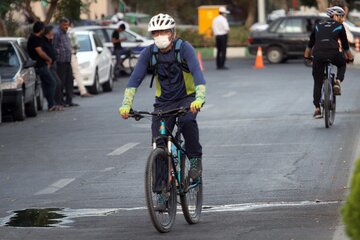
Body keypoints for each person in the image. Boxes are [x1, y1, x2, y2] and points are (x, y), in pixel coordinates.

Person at [118, 13, 206, 210]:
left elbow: (198, 76)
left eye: (163, 31)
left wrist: (199, 99)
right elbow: (135, 79)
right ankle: (161, 192)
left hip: (187, 100)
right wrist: (126, 104)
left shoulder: (184, 49)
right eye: (156, 32)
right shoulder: (149, 53)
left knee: (187, 122)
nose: (160, 35)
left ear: (172, 33)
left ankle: (194, 161)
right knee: (159, 143)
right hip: (163, 104)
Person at [304, 6, 354, 119]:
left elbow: (309, 45)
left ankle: (317, 109)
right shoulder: (339, 26)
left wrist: (307, 57)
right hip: (333, 53)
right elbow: (346, 47)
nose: (342, 19)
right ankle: (337, 81)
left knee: (317, 81)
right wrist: (350, 58)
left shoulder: (317, 26)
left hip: (318, 55)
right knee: (342, 64)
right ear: (335, 15)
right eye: (341, 16)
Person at [27, 21, 58, 111]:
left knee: (47, 84)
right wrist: (48, 59)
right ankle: (51, 104)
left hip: (42, 64)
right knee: (52, 83)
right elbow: (40, 52)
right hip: (40, 65)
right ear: (41, 29)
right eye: (43, 28)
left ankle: (51, 103)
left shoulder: (37, 38)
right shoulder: (34, 39)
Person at [53, 17, 79, 107]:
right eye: (64, 25)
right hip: (61, 61)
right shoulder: (56, 33)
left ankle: (69, 100)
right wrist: (59, 54)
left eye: (67, 25)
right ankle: (60, 101)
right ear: (60, 24)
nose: (66, 27)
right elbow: (54, 46)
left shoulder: (65, 33)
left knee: (69, 81)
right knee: (61, 82)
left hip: (68, 60)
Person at [42, 25, 64, 111]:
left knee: (57, 83)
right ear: (48, 31)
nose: (54, 32)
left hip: (54, 64)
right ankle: (53, 103)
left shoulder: (50, 40)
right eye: (52, 30)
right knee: (56, 83)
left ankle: (57, 103)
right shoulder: (43, 41)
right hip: (48, 65)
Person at [68, 26, 92, 97]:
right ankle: (83, 91)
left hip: (64, 57)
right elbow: (76, 45)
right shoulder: (71, 32)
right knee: (76, 73)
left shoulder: (60, 32)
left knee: (68, 75)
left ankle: (69, 92)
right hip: (72, 54)